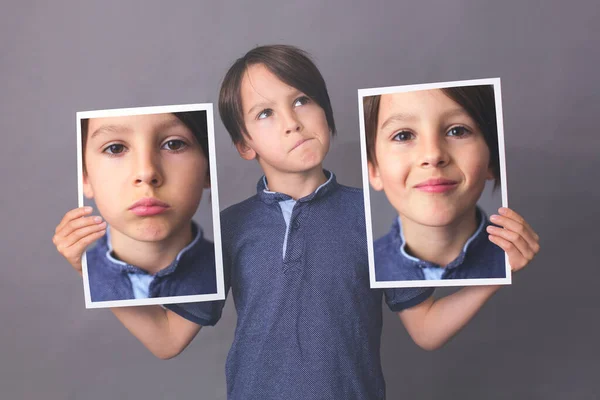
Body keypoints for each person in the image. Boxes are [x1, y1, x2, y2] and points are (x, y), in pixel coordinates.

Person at [53, 45, 540, 399]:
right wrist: (94, 272)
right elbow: (166, 340)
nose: (292, 121)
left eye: (303, 100)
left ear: (328, 116)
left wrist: (495, 274)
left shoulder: (375, 217)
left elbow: (426, 330)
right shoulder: (226, 230)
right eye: (265, 113)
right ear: (245, 145)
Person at [364, 86, 511, 282]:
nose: (433, 155)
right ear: (374, 170)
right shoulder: (359, 272)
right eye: (403, 136)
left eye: (457, 131)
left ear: (492, 160)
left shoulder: (514, 262)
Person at [70, 110, 216, 302]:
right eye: (115, 148)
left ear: (208, 170)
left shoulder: (229, 267)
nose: (146, 172)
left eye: (174, 144)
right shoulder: (81, 272)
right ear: (85, 178)